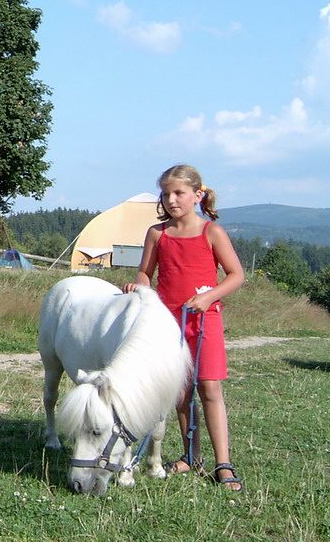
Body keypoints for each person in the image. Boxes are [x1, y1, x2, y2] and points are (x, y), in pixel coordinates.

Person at [122, 165, 245, 491]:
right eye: (166, 193)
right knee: (180, 394)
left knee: (209, 390)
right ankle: (191, 456)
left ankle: (223, 464)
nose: (171, 199)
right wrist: (140, 288)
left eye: (179, 193)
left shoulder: (212, 233)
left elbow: (236, 275)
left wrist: (209, 297)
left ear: (197, 196)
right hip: (167, 324)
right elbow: (145, 273)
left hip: (205, 322)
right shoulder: (157, 233)